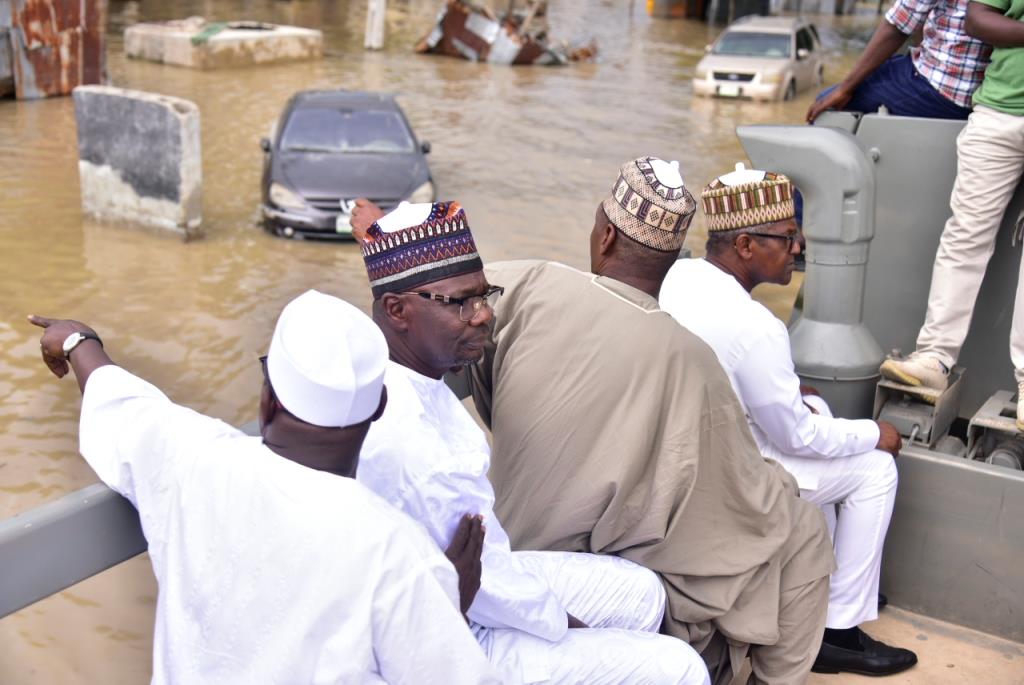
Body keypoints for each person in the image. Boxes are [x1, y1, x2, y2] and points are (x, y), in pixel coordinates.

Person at [463, 158, 836, 685]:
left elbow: (450, 339)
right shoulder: (694, 360)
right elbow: (740, 492)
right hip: (585, 575)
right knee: (800, 527)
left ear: (606, 234)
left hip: (503, 550)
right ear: (673, 255)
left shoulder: (523, 286)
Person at [26, 291, 500, 684]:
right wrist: (449, 606)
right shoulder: (397, 551)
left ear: (268, 399)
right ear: (378, 407)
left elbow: (123, 403)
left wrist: (76, 340)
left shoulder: (195, 460)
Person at [351, 200, 711, 685]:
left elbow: (487, 568)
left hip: (474, 584)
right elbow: (486, 591)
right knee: (680, 668)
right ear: (397, 310)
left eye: (485, 296)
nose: (482, 316)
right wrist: (567, 627)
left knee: (644, 593)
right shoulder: (415, 447)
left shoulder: (411, 378)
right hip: (448, 635)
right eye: (461, 302)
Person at [659, 165, 918, 677]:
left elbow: (727, 370)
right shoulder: (757, 326)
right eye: (788, 237)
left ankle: (827, 583)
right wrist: (875, 434)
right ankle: (836, 631)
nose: (798, 248)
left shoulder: (682, 276)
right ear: (748, 245)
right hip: (732, 477)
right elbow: (796, 437)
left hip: (684, 453)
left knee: (816, 410)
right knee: (873, 469)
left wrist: (795, 394)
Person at [879, 0, 1024, 425]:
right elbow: (978, 17)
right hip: (998, 113)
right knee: (965, 235)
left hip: (999, 117)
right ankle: (935, 358)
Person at [806, 0, 991, 123]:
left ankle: (786, 183)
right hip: (985, 91)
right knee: (890, 65)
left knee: (825, 106)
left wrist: (844, 89)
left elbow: (898, 27)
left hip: (942, 88)